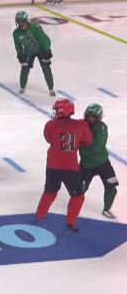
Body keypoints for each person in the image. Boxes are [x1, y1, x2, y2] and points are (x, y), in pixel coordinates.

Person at [35, 99, 93, 231]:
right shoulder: (81, 125)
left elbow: (48, 138)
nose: (55, 112)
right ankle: (71, 222)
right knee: (78, 196)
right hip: (70, 167)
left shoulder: (50, 124)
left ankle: (39, 216)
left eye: (56, 109)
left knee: (49, 192)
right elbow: (88, 141)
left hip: (53, 164)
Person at [79, 104, 118, 219]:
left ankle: (107, 208)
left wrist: (82, 145)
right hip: (86, 164)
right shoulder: (81, 125)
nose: (90, 118)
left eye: (93, 116)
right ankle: (75, 207)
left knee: (112, 187)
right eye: (89, 116)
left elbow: (96, 146)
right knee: (79, 188)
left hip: (103, 163)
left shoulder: (101, 128)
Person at [13, 10, 55, 96]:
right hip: (29, 51)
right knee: (24, 68)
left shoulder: (35, 28)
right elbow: (18, 45)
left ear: (25, 21)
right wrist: (20, 54)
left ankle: (51, 88)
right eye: (18, 21)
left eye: (21, 21)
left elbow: (44, 39)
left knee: (46, 68)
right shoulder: (16, 33)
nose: (19, 23)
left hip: (41, 50)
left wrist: (47, 50)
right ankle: (22, 87)